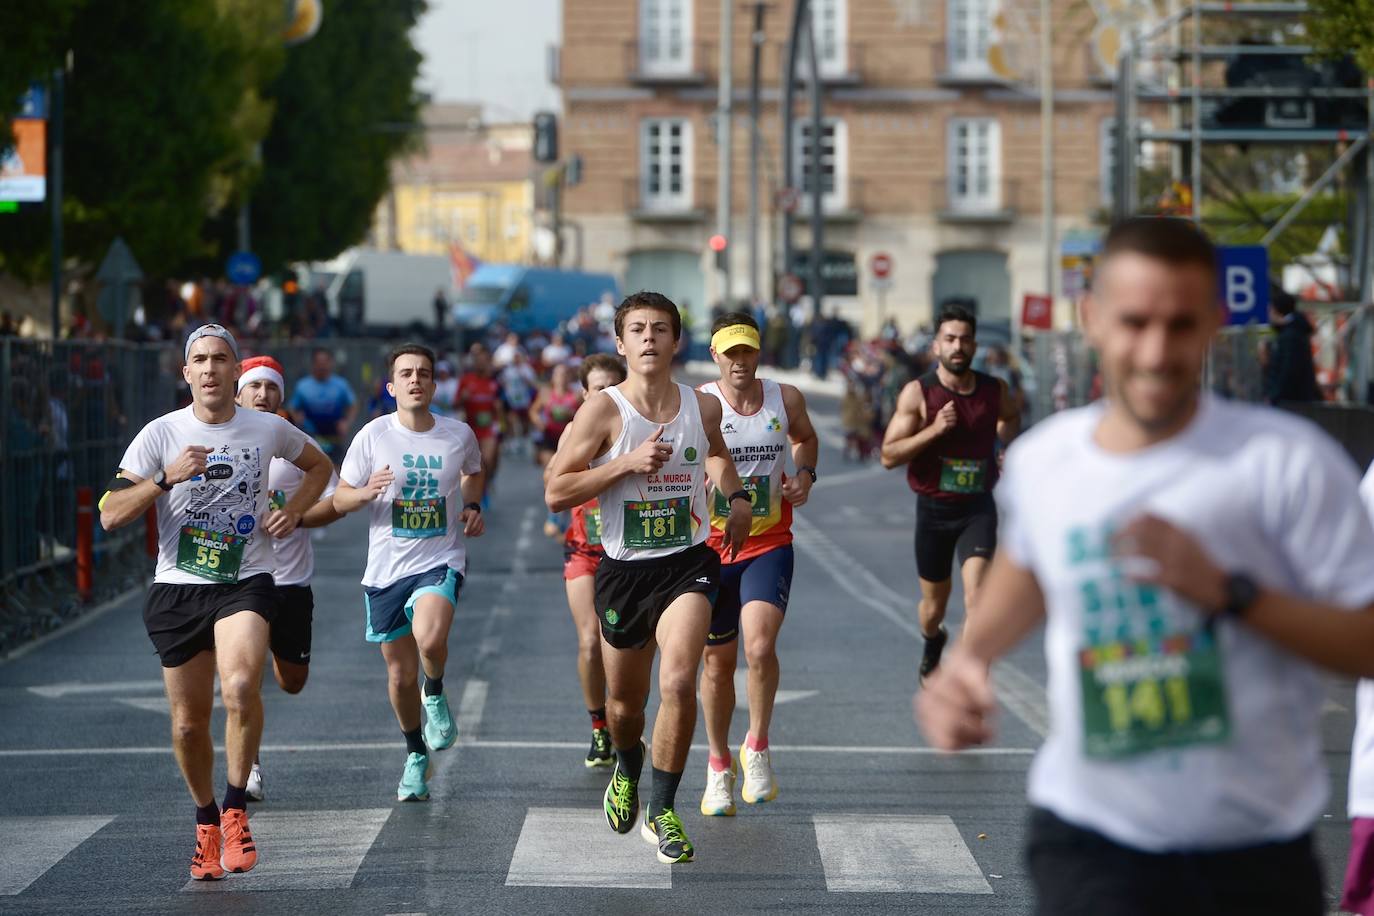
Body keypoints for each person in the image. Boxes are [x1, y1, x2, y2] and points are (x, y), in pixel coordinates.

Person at [917, 217, 1374, 916]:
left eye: (1180, 325)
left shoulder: (1287, 463)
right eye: (1134, 323)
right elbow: (1033, 564)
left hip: (1253, 850)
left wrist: (1228, 592)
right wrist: (970, 662)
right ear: (1091, 317)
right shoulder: (1048, 461)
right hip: (1091, 837)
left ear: (1216, 323)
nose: (1156, 352)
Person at [99, 325, 333, 880]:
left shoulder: (268, 427)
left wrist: (295, 509)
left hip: (245, 579)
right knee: (187, 724)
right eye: (199, 360)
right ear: (186, 374)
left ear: (235, 371)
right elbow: (110, 512)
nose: (209, 369)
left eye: (220, 359)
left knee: (240, 685)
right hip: (179, 584)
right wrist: (164, 479)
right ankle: (205, 819)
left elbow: (320, 467)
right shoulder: (160, 434)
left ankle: (234, 808)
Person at [545, 291, 751, 865]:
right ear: (620, 343)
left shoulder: (701, 406)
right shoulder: (603, 411)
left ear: (676, 341)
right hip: (624, 573)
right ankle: (627, 768)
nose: (649, 338)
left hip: (688, 562)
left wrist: (734, 497)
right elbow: (557, 489)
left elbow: (713, 453)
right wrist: (623, 465)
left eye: (660, 329)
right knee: (624, 708)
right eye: (637, 330)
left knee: (681, 682)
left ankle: (663, 809)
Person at [333, 343, 486, 802]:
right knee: (400, 678)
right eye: (406, 374)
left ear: (435, 384)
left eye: (423, 373)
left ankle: (435, 691)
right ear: (391, 386)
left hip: (439, 560)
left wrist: (473, 504)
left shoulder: (458, 434)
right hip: (385, 569)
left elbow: (473, 472)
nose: (415, 379)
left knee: (430, 637)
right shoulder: (373, 436)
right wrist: (364, 494)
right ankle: (416, 753)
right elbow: (340, 498)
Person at [696, 313, 819, 817]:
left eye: (747, 351)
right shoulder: (700, 403)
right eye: (730, 353)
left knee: (761, 646)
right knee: (717, 663)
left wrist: (806, 474)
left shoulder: (783, 398)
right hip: (710, 548)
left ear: (757, 354)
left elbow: (805, 438)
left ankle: (758, 747)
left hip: (769, 542)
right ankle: (719, 765)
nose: (739, 361)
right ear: (715, 356)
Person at [880, 304, 1020, 679]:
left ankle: (967, 676)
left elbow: (1011, 416)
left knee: (978, 598)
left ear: (974, 346)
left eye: (965, 339)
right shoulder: (918, 393)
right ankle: (932, 640)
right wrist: (934, 430)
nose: (958, 346)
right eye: (950, 339)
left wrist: (1004, 447)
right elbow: (888, 455)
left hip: (977, 508)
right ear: (936, 346)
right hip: (934, 511)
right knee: (933, 608)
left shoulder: (994, 389)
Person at [234, 355, 344, 802]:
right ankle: (249, 768)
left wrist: (296, 516)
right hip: (239, 579)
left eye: (271, 388)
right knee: (243, 674)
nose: (262, 395)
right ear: (239, 393)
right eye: (254, 387)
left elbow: (334, 501)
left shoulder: (297, 445)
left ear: (282, 396)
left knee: (291, 680)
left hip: (291, 581)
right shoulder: (220, 440)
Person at [547, 353, 628, 768]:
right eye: (598, 388)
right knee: (589, 641)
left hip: (630, 552)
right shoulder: (572, 434)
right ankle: (599, 728)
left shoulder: (637, 430)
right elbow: (553, 489)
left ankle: (626, 716)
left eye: (612, 387)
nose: (605, 395)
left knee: (628, 646)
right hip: (585, 549)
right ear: (584, 394)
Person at [288, 348, 357, 465]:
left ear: (331, 363)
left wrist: (346, 422)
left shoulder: (341, 384)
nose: (322, 366)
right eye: (319, 363)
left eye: (325, 362)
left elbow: (353, 405)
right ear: (313, 364)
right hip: (311, 436)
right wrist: (298, 419)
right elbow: (292, 407)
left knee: (336, 469)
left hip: (334, 436)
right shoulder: (302, 386)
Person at [457, 342, 505, 506]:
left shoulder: (494, 383)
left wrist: (500, 425)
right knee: (477, 463)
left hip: (488, 428)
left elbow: (500, 406)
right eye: (478, 361)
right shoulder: (466, 380)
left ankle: (486, 483)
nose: (481, 364)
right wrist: (463, 398)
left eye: (484, 361)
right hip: (471, 427)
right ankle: (481, 488)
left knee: (488, 459)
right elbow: (455, 404)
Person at [1264, 288, 1320, 404]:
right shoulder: (1295, 331)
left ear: (1277, 311)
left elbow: (1288, 372)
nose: (1268, 315)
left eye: (1270, 310)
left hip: (1291, 403)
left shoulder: (1290, 337)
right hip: (1295, 401)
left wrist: (1274, 396)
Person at [498, 349, 538, 452]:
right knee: (512, 419)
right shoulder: (508, 370)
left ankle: (524, 441)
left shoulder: (527, 369)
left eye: (518, 357)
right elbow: (502, 382)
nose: (516, 359)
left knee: (525, 421)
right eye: (514, 358)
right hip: (512, 399)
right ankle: (514, 441)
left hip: (524, 399)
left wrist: (524, 378)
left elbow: (533, 384)